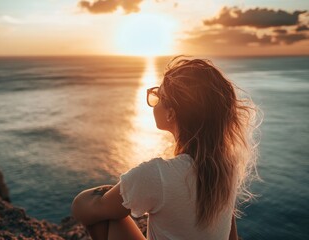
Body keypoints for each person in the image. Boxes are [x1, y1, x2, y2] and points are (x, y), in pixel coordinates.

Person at [71, 56, 260, 240]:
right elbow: (230, 234)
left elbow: (82, 208)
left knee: (107, 217)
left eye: (158, 97)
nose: (154, 102)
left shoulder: (157, 175)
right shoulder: (227, 167)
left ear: (171, 114)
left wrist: (113, 190)